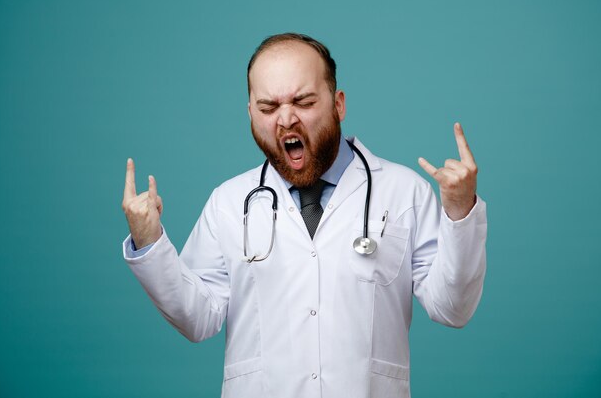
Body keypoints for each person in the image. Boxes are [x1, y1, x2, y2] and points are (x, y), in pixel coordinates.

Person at [121, 33, 487, 398]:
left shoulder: (403, 192)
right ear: (250, 113)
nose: (285, 119)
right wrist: (148, 242)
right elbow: (196, 319)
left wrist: (459, 209)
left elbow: (453, 309)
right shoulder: (229, 203)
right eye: (267, 108)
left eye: (304, 101)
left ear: (338, 104)